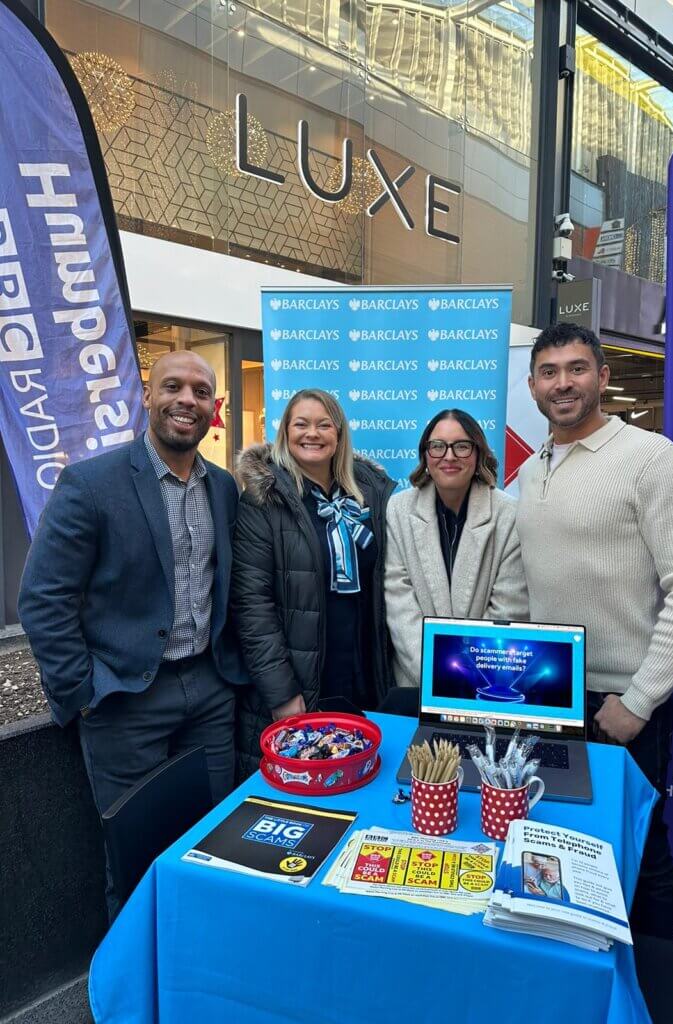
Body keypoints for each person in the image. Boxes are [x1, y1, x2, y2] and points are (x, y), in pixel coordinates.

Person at [18, 350, 246, 920]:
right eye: (173, 386)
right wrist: (84, 694)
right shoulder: (92, 483)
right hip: (124, 703)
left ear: (214, 408)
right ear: (147, 395)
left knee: (212, 849)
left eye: (200, 391)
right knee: (135, 858)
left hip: (210, 696)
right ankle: (129, 1000)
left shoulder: (223, 488)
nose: (186, 400)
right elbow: (43, 598)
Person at [517, 322, 673, 940]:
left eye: (577, 369)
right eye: (549, 372)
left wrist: (638, 702)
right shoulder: (532, 471)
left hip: (621, 706)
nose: (563, 384)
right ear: (531, 386)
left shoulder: (653, 460)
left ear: (603, 377)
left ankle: (653, 988)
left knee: (641, 853)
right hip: (549, 698)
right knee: (559, 850)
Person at [231, 389, 395, 777]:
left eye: (324, 424)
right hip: (302, 679)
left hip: (362, 670)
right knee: (312, 794)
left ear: (339, 434)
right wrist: (282, 692)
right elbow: (252, 605)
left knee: (364, 783)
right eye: (301, 424)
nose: (312, 434)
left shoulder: (368, 493)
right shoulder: (263, 500)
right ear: (285, 432)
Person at [384, 409, 527, 696]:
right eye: (437, 446)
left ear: (478, 454)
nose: (449, 456)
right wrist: (436, 673)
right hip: (416, 681)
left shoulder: (508, 514)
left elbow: (508, 609)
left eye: (461, 446)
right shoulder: (398, 509)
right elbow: (400, 605)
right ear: (425, 455)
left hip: (485, 685)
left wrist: (469, 676)